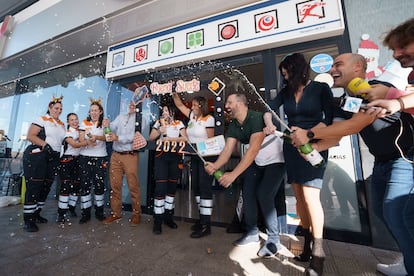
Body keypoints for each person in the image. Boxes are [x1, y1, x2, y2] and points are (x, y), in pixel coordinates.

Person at [290, 53, 414, 276]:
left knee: (395, 211)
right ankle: (408, 259)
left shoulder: (376, 87)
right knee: (381, 211)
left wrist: (309, 133)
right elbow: (337, 135)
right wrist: (314, 148)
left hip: (404, 158)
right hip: (381, 161)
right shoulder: (344, 101)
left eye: (338, 65)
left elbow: (356, 125)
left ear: (358, 67)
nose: (332, 70)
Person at [268, 53, 334, 275]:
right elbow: (270, 107)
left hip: (314, 146)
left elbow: (330, 119)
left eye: (287, 73)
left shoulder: (321, 88)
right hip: (292, 147)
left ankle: (318, 252)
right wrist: (268, 121)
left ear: (297, 70)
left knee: (310, 196)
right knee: (299, 197)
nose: (285, 78)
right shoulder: (286, 92)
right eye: (283, 75)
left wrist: (309, 132)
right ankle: (306, 246)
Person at [204, 93, 291, 258]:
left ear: (240, 103)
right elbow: (228, 150)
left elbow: (252, 150)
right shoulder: (234, 125)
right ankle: (252, 233)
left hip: (275, 160)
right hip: (257, 161)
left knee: (264, 194)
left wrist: (233, 175)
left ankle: (274, 240)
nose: (226, 106)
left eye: (229, 102)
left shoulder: (256, 117)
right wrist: (215, 165)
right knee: (248, 192)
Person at [172, 92, 215, 238]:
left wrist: (205, 155)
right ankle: (201, 219)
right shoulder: (191, 117)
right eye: (193, 104)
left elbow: (211, 140)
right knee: (196, 187)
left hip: (206, 157)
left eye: (196, 105)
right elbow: (179, 105)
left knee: (205, 188)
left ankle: (206, 225)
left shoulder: (208, 119)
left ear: (202, 106)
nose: (193, 106)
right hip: (194, 157)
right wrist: (174, 92)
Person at [22, 96, 66, 232]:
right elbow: (31, 135)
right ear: (50, 108)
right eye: (56, 108)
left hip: (54, 157)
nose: (58, 111)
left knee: (46, 186)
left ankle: (36, 213)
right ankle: (28, 219)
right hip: (39, 155)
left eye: (60, 109)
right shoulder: (41, 119)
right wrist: (44, 144)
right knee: (35, 185)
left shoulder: (62, 124)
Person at [148, 103, 187, 234]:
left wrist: (170, 139)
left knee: (171, 189)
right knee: (160, 188)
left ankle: (168, 217)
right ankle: (157, 221)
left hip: (175, 158)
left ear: (173, 112)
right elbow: (151, 138)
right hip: (161, 157)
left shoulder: (179, 123)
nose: (164, 112)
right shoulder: (159, 122)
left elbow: (185, 138)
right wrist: (160, 131)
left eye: (167, 110)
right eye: (163, 110)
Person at [102, 100, 143, 226]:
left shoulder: (141, 119)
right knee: (114, 186)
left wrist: (118, 138)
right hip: (115, 155)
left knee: (133, 187)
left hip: (130, 155)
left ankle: (136, 214)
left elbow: (135, 136)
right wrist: (106, 124)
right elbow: (111, 129)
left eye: (135, 103)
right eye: (130, 102)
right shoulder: (120, 117)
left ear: (139, 104)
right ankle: (116, 214)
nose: (132, 105)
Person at [78, 98, 108, 224]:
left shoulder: (105, 123)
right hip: (85, 157)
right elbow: (80, 140)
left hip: (100, 157)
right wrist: (88, 142)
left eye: (96, 110)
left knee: (99, 185)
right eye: (91, 111)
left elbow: (108, 137)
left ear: (100, 112)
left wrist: (98, 136)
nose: (93, 113)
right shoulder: (84, 123)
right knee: (85, 184)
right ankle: (85, 212)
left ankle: (99, 211)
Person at [57, 113, 91, 223]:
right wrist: (88, 142)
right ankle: (61, 213)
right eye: (72, 120)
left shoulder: (81, 130)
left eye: (76, 119)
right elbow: (74, 145)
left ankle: (71, 207)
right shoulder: (67, 133)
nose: (75, 121)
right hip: (66, 161)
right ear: (68, 122)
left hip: (78, 160)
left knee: (76, 185)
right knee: (66, 185)